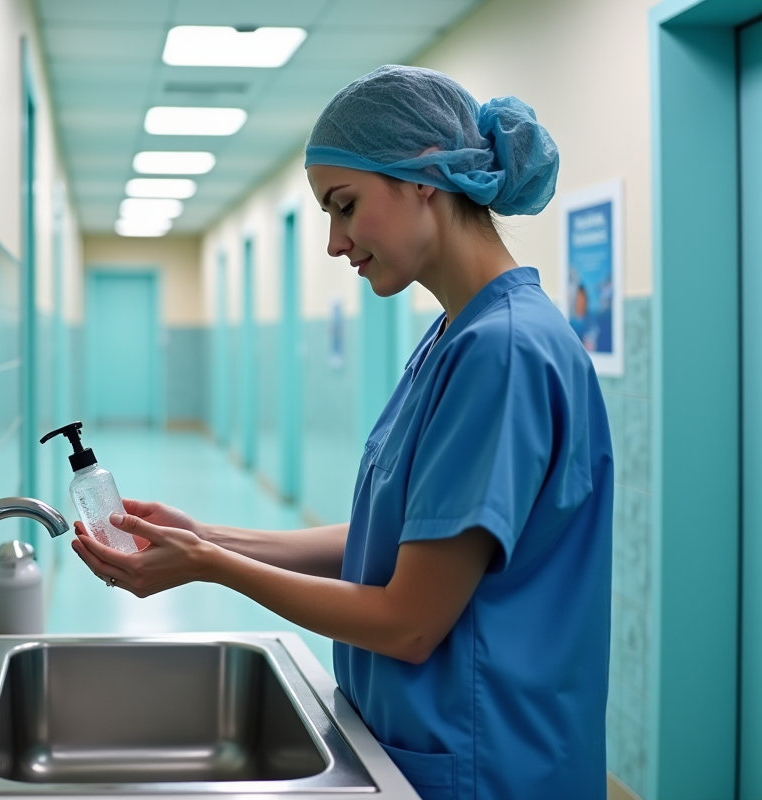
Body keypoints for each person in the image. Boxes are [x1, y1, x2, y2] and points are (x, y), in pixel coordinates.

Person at [72, 65, 612, 800]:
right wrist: (208, 536)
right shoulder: (456, 337)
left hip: (485, 768)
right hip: (429, 749)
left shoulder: (503, 351)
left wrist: (210, 566)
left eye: (345, 205)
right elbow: (397, 540)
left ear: (426, 177)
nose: (334, 242)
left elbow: (410, 622)